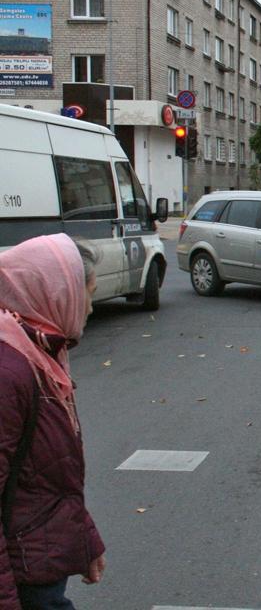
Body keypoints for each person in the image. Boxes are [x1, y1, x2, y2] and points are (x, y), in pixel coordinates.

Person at [0, 234, 106, 610]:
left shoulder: (38, 352)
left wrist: (86, 541)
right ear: (54, 292)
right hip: (22, 575)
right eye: (87, 294)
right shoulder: (11, 371)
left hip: (38, 559)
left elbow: (48, 471)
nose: (90, 308)